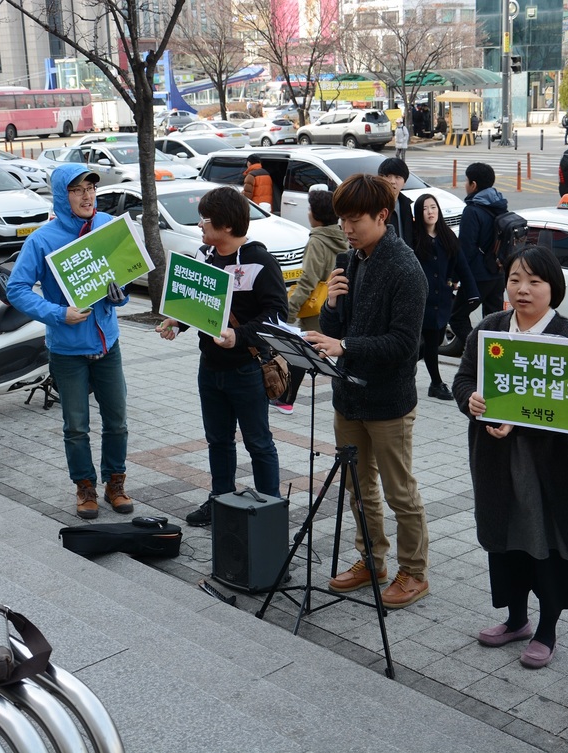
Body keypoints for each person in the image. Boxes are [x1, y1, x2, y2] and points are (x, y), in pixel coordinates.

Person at [452, 245, 568, 670]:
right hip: (497, 459)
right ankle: (515, 619)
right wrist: (471, 401)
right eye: (515, 279)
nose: (523, 289)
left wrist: (521, 421)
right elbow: (463, 378)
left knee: (548, 543)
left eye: (534, 281)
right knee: (505, 538)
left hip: (553, 465)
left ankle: (547, 630)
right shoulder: (491, 328)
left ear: (554, 288)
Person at [303, 174, 430, 609]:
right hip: (349, 396)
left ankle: (414, 570)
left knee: (400, 491)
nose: (347, 228)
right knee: (358, 487)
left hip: (389, 400)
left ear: (382, 216)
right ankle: (371, 559)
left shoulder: (405, 268)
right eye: (342, 220)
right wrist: (331, 307)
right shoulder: (349, 259)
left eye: (354, 220)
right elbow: (337, 332)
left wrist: (345, 345)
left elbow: (403, 346)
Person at [6, 165, 136, 519]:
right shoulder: (42, 239)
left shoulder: (108, 226)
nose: (87, 196)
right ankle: (85, 488)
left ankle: (115, 483)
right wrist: (57, 313)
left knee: (118, 421)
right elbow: (15, 289)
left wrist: (118, 295)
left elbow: (125, 279)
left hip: (107, 344)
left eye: (91, 188)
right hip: (67, 350)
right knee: (76, 426)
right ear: (63, 196)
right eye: (77, 190)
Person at [156, 186, 287, 526]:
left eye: (206, 219)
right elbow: (198, 305)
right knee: (218, 440)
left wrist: (238, 336)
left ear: (227, 226)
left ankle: (269, 513)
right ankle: (221, 500)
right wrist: (177, 321)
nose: (200, 225)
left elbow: (276, 316)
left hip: (246, 370)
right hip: (210, 368)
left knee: (258, 443)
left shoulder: (260, 261)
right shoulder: (204, 257)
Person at [275, 188, 347, 414]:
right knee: (320, 352)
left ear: (317, 214)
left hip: (317, 309)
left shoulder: (318, 241)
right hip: (337, 303)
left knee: (303, 352)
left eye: (310, 208)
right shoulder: (341, 236)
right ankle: (287, 399)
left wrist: (291, 309)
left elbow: (308, 280)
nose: (308, 213)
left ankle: (287, 401)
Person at [413, 193, 477, 400]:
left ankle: (403, 367)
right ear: (418, 213)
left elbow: (462, 266)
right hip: (422, 299)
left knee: (437, 339)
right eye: (425, 208)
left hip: (443, 300)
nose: (430, 212)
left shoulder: (447, 236)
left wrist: (472, 292)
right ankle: (436, 383)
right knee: (432, 341)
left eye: (433, 207)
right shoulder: (414, 238)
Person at [447, 162, 506, 350]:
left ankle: (477, 352)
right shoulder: (499, 204)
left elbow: (465, 250)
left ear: (473, 185)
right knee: (493, 321)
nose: (465, 185)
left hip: (479, 277)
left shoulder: (472, 210)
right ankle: (494, 356)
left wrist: (455, 278)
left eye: (466, 181)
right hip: (498, 273)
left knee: (456, 317)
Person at [377, 157, 414, 249]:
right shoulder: (373, 205)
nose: (392, 181)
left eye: (398, 177)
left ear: (404, 182)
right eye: (388, 176)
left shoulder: (406, 204)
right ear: (380, 179)